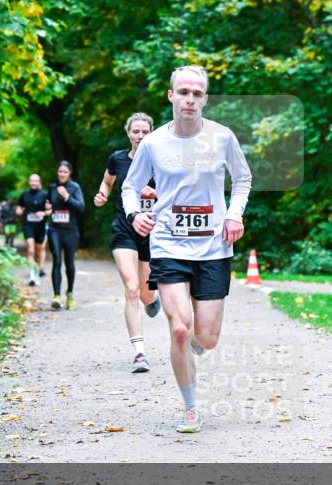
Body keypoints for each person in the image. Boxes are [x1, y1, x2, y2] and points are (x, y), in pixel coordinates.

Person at [121, 65, 252, 433]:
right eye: (184, 92)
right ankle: (191, 407)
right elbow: (130, 187)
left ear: (205, 99)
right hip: (168, 245)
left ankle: (196, 342)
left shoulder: (222, 137)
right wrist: (135, 215)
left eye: (197, 93)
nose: (190, 99)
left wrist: (233, 215)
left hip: (213, 248)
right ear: (171, 96)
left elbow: (242, 179)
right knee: (179, 329)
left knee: (205, 338)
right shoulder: (153, 142)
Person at [94, 112, 163, 373]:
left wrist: (154, 193)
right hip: (124, 230)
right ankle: (139, 354)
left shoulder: (161, 161)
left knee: (145, 294)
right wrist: (102, 194)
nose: (140, 136)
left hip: (152, 233)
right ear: (128, 133)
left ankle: (151, 298)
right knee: (131, 289)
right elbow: (107, 180)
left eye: (145, 131)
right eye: (136, 131)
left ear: (151, 133)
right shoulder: (118, 159)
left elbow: (177, 192)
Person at [47, 160, 85, 310]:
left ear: (69, 173)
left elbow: (81, 207)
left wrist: (67, 197)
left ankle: (70, 294)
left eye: (65, 172)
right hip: (55, 229)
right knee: (56, 259)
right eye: (60, 171)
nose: (62, 174)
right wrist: (47, 207)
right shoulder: (52, 187)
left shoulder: (74, 187)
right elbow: (49, 204)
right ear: (57, 172)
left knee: (69, 263)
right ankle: (56, 296)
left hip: (70, 231)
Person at [16, 174, 50, 285]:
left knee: (39, 250)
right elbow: (19, 206)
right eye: (32, 181)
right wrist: (19, 211)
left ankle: (37, 272)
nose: (33, 183)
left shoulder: (44, 195)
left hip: (40, 226)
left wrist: (44, 213)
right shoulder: (25, 194)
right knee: (30, 249)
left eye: (36, 181)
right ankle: (32, 276)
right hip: (28, 225)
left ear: (39, 182)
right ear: (29, 182)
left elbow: (51, 210)